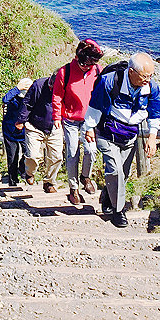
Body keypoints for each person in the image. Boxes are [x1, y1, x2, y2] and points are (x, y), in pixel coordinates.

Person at [84, 52, 160, 228]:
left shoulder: (151, 87)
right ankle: (118, 211)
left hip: (130, 136)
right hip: (107, 134)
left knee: (123, 173)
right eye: (144, 76)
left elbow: (155, 113)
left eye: (151, 75)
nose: (148, 79)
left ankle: (108, 195)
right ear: (131, 72)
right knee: (115, 170)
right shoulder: (109, 81)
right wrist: (89, 128)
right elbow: (95, 106)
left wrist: (152, 137)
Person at [53, 39, 104, 206]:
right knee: (72, 153)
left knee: (91, 150)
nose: (86, 68)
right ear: (77, 57)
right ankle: (73, 189)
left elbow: (102, 93)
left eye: (89, 65)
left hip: (90, 119)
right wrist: (56, 117)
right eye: (83, 64)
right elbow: (57, 96)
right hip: (70, 119)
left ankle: (85, 176)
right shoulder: (65, 71)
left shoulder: (97, 70)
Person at [20, 74, 63, 192]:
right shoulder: (38, 85)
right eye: (50, 85)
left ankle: (49, 182)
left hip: (55, 126)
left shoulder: (67, 87)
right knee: (33, 156)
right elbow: (27, 103)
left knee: (57, 157)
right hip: (35, 125)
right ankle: (29, 173)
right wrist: (21, 120)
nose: (51, 88)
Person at [1, 77, 34, 186]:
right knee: (12, 157)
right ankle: (13, 181)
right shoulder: (13, 97)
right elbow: (5, 100)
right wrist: (17, 89)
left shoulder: (32, 98)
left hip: (25, 131)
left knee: (29, 153)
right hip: (10, 130)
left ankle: (23, 172)